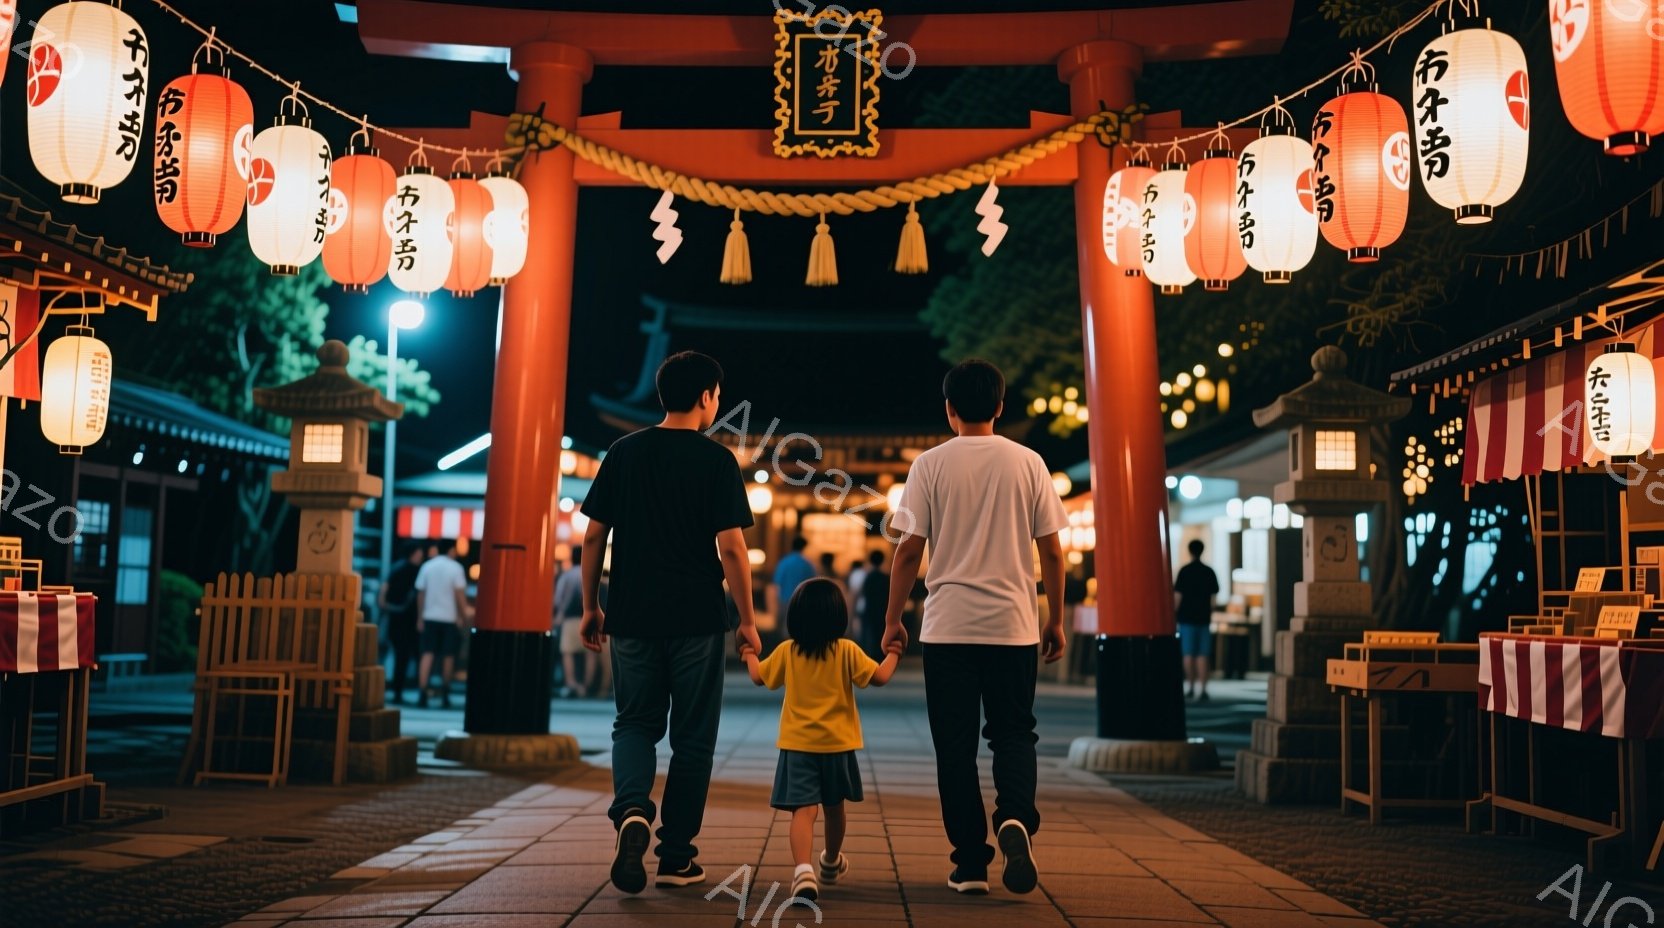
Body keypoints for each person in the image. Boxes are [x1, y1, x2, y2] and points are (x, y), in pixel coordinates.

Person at [883, 359, 1068, 897]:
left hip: (948, 629)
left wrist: (894, 619)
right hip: (1014, 627)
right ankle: (1014, 818)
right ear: (1001, 406)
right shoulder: (1029, 463)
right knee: (1014, 732)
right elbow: (1052, 552)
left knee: (955, 748)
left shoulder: (929, 465)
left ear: (949, 409)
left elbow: (908, 551)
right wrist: (1054, 617)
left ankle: (969, 863)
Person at [579, 350, 760, 894]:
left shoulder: (623, 452)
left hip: (632, 615)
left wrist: (592, 605)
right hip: (697, 618)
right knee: (693, 738)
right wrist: (746, 620)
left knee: (634, 723)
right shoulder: (716, 461)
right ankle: (676, 856)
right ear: (707, 396)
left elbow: (593, 536)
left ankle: (633, 811)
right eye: (718, 397)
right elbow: (731, 548)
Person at [741, 578, 901, 903]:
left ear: (795, 617)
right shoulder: (846, 651)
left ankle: (803, 871)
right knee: (834, 808)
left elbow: (759, 678)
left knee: (803, 810)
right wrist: (895, 653)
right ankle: (830, 860)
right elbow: (880, 678)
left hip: (798, 746)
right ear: (839, 617)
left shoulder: (788, 651)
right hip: (838, 745)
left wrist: (748, 653)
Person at [415, 538, 470, 709]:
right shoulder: (456, 568)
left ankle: (422, 692)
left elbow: (421, 594)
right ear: (452, 550)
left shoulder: (427, 566)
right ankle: (445, 693)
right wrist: (463, 615)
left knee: (427, 653)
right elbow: (459, 595)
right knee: (448, 655)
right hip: (449, 617)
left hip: (430, 616)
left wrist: (420, 617)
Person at [1175, 538, 1222, 701]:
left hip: (1186, 618)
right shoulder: (1209, 571)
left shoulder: (1184, 571)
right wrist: (1211, 611)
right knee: (1203, 654)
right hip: (1203, 618)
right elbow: (1213, 598)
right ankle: (1203, 689)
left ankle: (1190, 686)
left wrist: (1174, 614)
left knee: (1188, 654)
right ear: (1202, 551)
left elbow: (1178, 597)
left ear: (1189, 551)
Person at [378, 543, 425, 704]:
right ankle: (418, 691)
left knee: (400, 656)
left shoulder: (395, 568)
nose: (421, 555)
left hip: (394, 617)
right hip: (410, 619)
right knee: (413, 655)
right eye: (419, 552)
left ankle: (396, 691)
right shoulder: (417, 571)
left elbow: (385, 589)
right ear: (414, 553)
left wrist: (384, 604)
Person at [553, 547, 597, 698]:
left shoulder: (567, 576)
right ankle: (585, 686)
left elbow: (558, 599)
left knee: (568, 652)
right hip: (590, 617)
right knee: (590, 653)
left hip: (570, 618)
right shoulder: (591, 574)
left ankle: (571, 683)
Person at [770, 537, 816, 622]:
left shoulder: (784, 562)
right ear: (804, 547)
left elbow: (776, 583)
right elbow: (813, 586)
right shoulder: (808, 565)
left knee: (784, 629)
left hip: (784, 600)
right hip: (801, 603)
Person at [856, 549, 890, 659]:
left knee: (868, 637)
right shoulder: (885, 578)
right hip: (882, 611)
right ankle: (881, 657)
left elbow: (864, 594)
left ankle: (869, 658)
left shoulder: (868, 577)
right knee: (880, 635)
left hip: (869, 611)